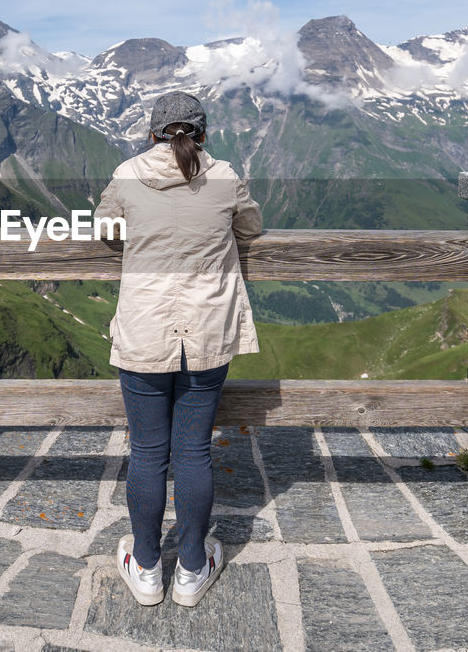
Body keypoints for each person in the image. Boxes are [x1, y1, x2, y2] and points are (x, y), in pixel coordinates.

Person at [93, 91, 263, 607]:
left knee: (147, 452)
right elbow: (251, 227)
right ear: (203, 134)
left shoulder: (127, 174)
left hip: (145, 328)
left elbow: (106, 230)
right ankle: (191, 567)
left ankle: (145, 566)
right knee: (193, 452)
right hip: (207, 330)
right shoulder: (226, 175)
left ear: (153, 134)